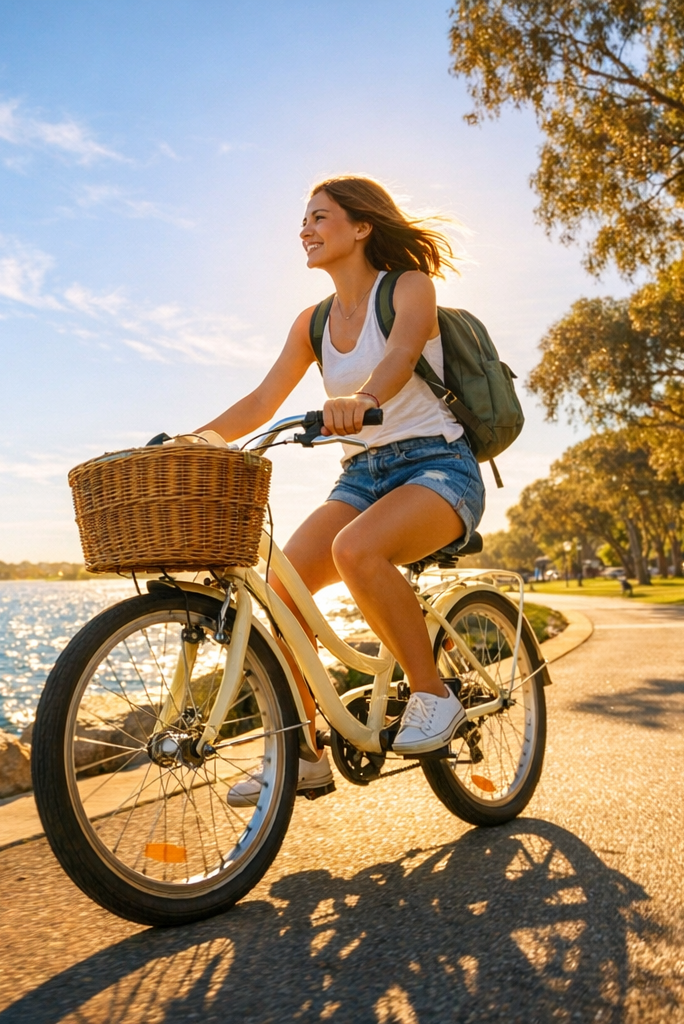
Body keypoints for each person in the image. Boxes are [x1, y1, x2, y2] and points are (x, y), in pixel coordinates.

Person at [196, 177, 486, 805]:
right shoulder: (314, 321)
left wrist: (365, 398)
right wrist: (193, 441)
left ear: (360, 227)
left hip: (438, 466)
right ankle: (303, 753)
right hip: (362, 476)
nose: (305, 228)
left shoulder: (408, 287)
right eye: (303, 219)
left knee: (357, 550)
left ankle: (433, 693)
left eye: (319, 217)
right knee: (283, 586)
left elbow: (404, 351)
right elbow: (261, 401)